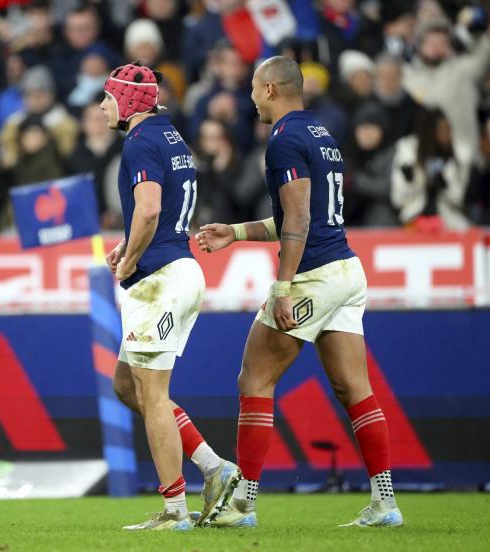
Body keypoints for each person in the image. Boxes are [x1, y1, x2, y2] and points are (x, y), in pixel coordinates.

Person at [195, 56, 403, 528]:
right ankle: (385, 501)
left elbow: (301, 220)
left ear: (269, 89)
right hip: (347, 271)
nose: (250, 98)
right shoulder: (322, 136)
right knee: (355, 390)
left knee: (254, 380)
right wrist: (237, 232)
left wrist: (283, 287)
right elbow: (300, 216)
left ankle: (242, 504)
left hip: (315, 276)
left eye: (252, 89)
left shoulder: (283, 138)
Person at [100, 62, 240, 532]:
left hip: (159, 278)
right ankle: (214, 467)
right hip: (178, 268)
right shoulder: (172, 137)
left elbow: (150, 206)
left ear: (129, 102)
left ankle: (175, 510)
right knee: (127, 386)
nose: (103, 106)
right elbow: (157, 212)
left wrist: (129, 257)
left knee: (154, 396)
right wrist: (131, 243)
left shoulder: (139, 141)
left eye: (108, 97)